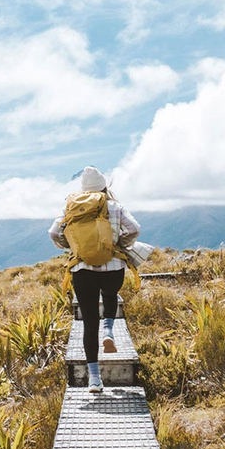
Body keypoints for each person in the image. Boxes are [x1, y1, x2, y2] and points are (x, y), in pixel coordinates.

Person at [48, 166, 140, 393]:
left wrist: (73, 247)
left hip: (82, 270)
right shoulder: (115, 207)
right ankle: (109, 331)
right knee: (110, 295)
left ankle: (95, 379)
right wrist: (119, 244)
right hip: (113, 268)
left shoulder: (72, 206)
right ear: (104, 187)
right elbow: (135, 229)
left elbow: (53, 232)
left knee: (89, 323)